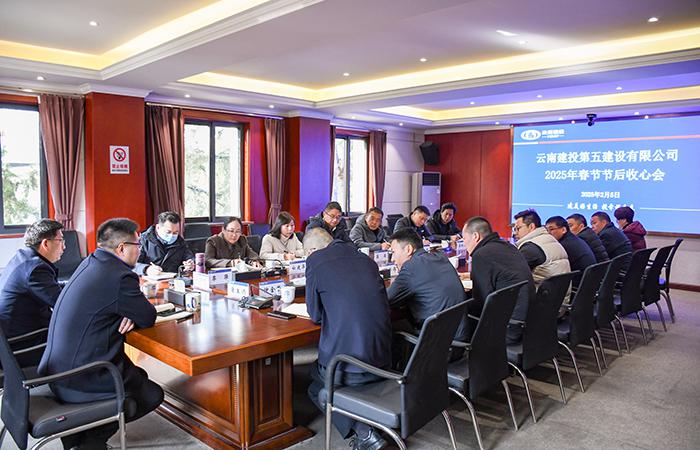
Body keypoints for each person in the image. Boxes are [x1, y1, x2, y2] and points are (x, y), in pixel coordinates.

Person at [38, 218, 163, 449]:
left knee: (138, 376)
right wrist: (131, 312)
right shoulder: (120, 276)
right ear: (122, 248)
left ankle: (77, 439)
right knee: (150, 394)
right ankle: (89, 444)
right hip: (83, 375)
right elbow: (147, 316)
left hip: (56, 368)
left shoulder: (92, 262)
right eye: (138, 245)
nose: (140, 250)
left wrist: (126, 311)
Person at [304, 228, 392, 450]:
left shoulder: (315, 260)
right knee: (318, 372)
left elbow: (315, 315)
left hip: (351, 365)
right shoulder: (366, 259)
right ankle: (370, 421)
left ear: (312, 250)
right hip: (384, 358)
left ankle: (365, 433)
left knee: (315, 386)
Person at [387, 228, 468, 348]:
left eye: (393, 252)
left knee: (391, 326)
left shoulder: (411, 268)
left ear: (408, 249)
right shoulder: (440, 257)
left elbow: (386, 299)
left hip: (439, 346)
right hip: (460, 338)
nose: (392, 259)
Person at [0, 219, 64, 365]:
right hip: (23, 345)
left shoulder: (24, 258)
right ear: (45, 243)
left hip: (12, 338)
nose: (64, 246)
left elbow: (52, 287)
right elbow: (63, 303)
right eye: (60, 240)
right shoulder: (36, 269)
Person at [462, 216, 535, 344]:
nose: (464, 243)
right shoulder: (508, 247)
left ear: (475, 236)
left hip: (507, 328)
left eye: (464, 238)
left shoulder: (482, 254)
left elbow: (481, 302)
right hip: (529, 322)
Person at [512, 209, 570, 289]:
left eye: (518, 228)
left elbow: (513, 272)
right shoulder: (548, 238)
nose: (515, 233)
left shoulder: (531, 248)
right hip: (560, 294)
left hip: (542, 295)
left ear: (531, 226)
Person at [136, 211, 194, 276]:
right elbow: (132, 265)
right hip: (149, 279)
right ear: (158, 228)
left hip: (173, 279)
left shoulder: (180, 242)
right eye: (168, 232)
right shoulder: (143, 240)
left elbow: (189, 258)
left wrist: (190, 264)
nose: (172, 236)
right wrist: (146, 269)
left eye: (175, 233)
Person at [545, 216, 596, 287]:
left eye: (551, 229)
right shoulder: (573, 239)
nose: (548, 233)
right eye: (546, 230)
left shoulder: (564, 245)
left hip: (578, 284)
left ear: (563, 230)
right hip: (589, 282)